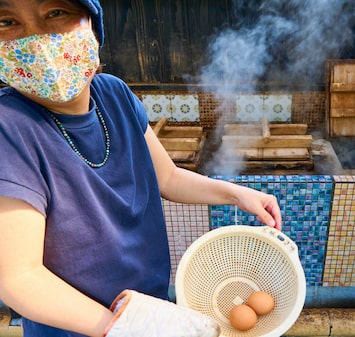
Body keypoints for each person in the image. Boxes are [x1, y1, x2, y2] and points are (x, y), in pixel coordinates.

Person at [0, 0, 282, 336]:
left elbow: (169, 177)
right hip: (82, 328)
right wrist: (126, 327)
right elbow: (19, 277)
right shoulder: (9, 128)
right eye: (6, 21)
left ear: (93, 22)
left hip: (149, 308)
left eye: (56, 13)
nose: (36, 38)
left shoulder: (114, 94)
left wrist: (236, 194)